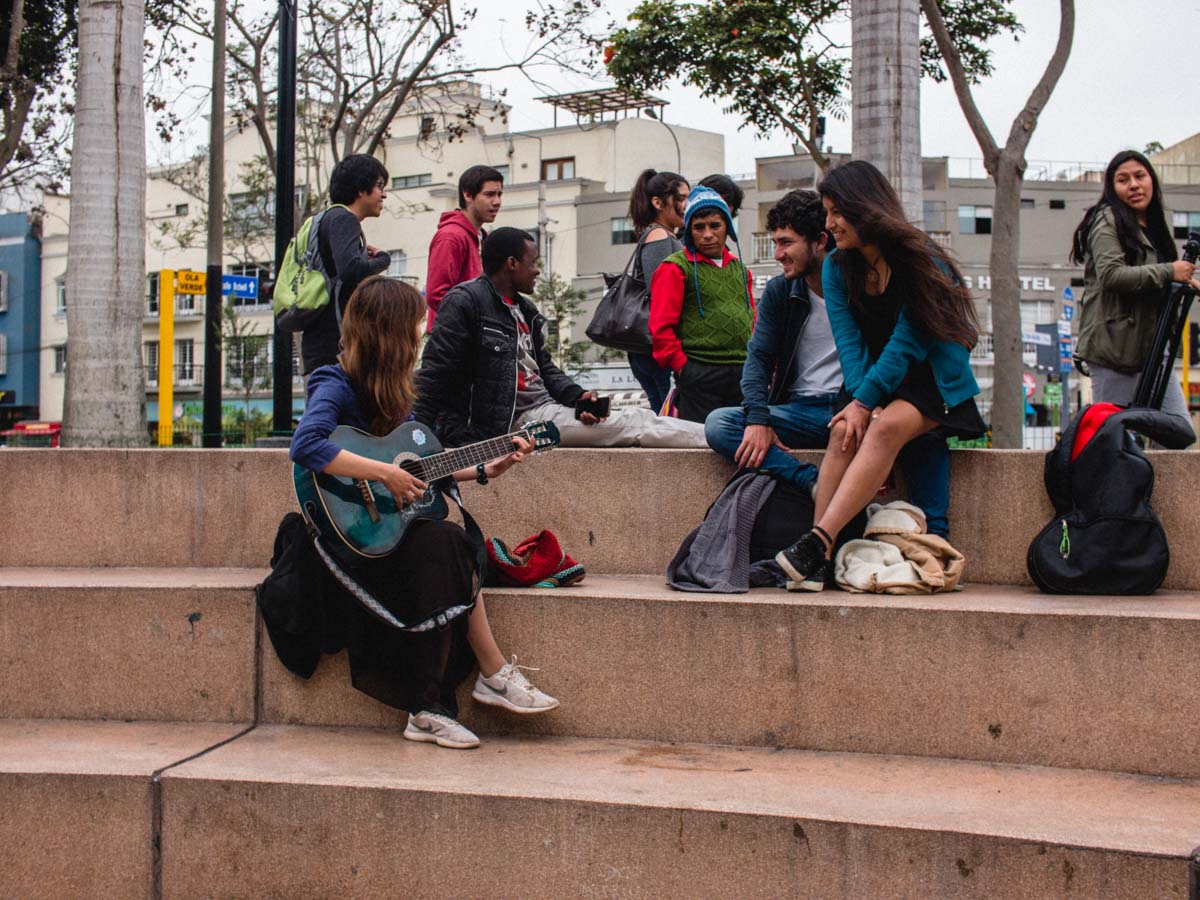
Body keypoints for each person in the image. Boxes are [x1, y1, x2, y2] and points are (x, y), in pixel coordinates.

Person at [289, 276, 558, 750]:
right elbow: (307, 445)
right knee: (446, 544)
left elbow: (421, 472)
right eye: (416, 326)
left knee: (450, 539)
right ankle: (465, 687)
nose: (422, 335)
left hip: (386, 530)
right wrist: (383, 475)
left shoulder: (398, 395)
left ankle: (442, 701)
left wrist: (485, 469)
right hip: (345, 536)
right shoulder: (333, 382)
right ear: (389, 334)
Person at [775, 160, 986, 591]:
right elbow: (849, 341)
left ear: (864, 207)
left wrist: (868, 404)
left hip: (929, 376)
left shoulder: (919, 259)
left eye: (837, 211)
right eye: (827, 211)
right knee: (842, 433)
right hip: (872, 377)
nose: (830, 223)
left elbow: (908, 344)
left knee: (886, 426)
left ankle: (818, 540)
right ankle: (816, 564)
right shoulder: (837, 267)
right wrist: (858, 401)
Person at [414, 227, 708, 448]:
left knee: (630, 418)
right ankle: (719, 439)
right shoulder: (466, 302)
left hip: (544, 411)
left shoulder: (526, 310)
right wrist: (415, 436)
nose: (538, 270)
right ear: (512, 263)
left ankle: (719, 436)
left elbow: (546, 371)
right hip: (512, 423)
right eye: (533, 262)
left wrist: (578, 397)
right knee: (636, 424)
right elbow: (435, 373)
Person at [703, 190, 840, 492]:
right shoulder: (781, 291)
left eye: (786, 243)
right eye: (776, 243)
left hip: (852, 411)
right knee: (719, 425)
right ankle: (812, 483)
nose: (778, 254)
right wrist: (758, 418)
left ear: (820, 241)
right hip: (799, 411)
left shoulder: (856, 287)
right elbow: (759, 359)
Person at [1071, 150, 1200, 432]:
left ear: (1151, 180)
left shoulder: (1153, 225)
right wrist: (1170, 271)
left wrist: (1182, 281)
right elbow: (1112, 276)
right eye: (1123, 179)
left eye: (1140, 176)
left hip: (1151, 349)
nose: (1134, 185)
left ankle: (1137, 457)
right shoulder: (1107, 218)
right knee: (1111, 439)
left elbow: (1154, 278)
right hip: (1113, 349)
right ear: (1112, 188)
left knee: (1180, 430)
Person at [649, 187, 755, 423]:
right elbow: (660, 328)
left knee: (744, 445)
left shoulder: (741, 269)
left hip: (743, 374)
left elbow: (752, 320)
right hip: (699, 372)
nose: (707, 234)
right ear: (690, 231)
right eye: (699, 227)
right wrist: (684, 368)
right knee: (701, 448)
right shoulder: (674, 268)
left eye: (715, 225)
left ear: (727, 227)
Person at [299, 153, 392, 374]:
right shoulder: (343, 219)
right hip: (337, 345)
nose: (384, 194)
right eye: (379, 186)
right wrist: (383, 260)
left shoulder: (327, 219)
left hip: (324, 343)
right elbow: (351, 270)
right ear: (361, 189)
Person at [625, 168, 690, 413]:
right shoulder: (659, 236)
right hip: (654, 348)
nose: (686, 205)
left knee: (664, 413)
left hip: (649, 348)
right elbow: (661, 292)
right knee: (668, 415)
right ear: (658, 203)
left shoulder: (662, 234)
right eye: (680, 198)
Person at [425, 164, 504, 330]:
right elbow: (436, 295)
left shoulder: (482, 237)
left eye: (499, 194)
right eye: (489, 194)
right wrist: (476, 323)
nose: (497, 202)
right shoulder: (451, 236)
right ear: (468, 195)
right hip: (453, 342)